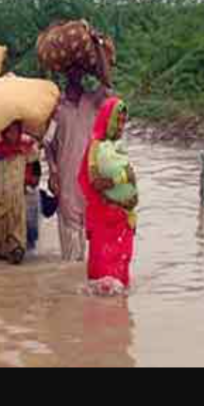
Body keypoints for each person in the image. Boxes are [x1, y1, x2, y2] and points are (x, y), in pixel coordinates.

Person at [46, 66, 112, 262]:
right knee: (70, 234)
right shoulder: (57, 109)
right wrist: (52, 171)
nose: (75, 78)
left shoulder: (93, 102)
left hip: (90, 177)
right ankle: (70, 281)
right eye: (71, 74)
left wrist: (99, 53)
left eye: (78, 74)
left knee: (91, 231)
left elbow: (108, 84)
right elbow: (48, 143)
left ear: (84, 77)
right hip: (66, 178)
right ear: (65, 78)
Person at [78, 98, 139, 295]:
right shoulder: (96, 146)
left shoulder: (116, 147)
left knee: (120, 283)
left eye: (124, 121)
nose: (121, 126)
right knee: (103, 281)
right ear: (107, 120)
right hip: (104, 220)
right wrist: (122, 178)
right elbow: (95, 182)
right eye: (117, 121)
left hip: (122, 220)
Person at [0, 121, 40, 264]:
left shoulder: (24, 150)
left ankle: (17, 250)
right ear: (3, 132)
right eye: (8, 131)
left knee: (17, 238)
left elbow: (36, 155)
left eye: (15, 131)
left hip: (17, 200)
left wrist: (32, 140)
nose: (12, 134)